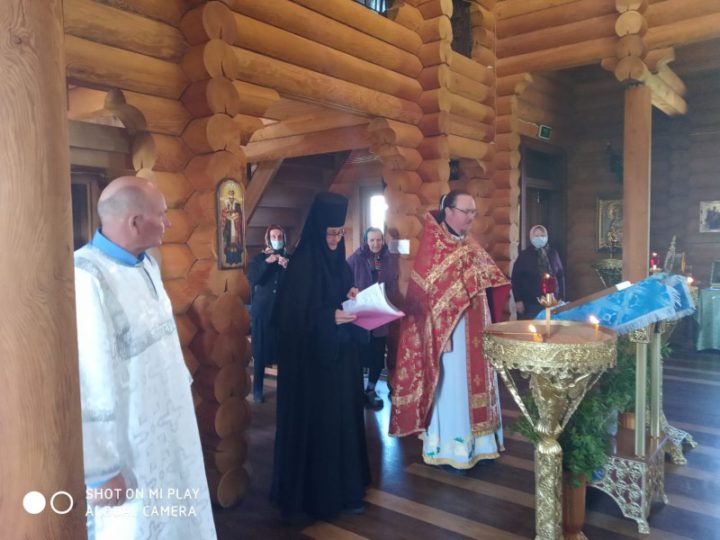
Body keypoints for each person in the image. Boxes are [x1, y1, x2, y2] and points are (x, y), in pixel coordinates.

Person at [74, 176, 216, 539]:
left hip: (169, 430)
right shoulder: (86, 277)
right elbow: (87, 378)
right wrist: (102, 471)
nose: (168, 223)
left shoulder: (146, 264)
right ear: (135, 222)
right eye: (162, 214)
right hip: (130, 446)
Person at [389, 190, 511, 473]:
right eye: (466, 211)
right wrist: (436, 333)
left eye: (474, 212)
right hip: (449, 335)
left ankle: (483, 446)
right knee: (453, 390)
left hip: (478, 330)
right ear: (449, 211)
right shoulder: (433, 248)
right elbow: (424, 299)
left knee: (480, 387)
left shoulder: (469, 244)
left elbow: (489, 282)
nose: (471, 218)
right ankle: (452, 450)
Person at [271, 192, 370, 519]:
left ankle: (347, 490)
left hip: (341, 361)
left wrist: (350, 296)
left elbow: (337, 295)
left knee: (344, 424)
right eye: (330, 233)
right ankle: (318, 497)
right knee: (322, 428)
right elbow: (291, 319)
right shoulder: (301, 266)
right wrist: (329, 317)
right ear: (317, 231)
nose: (335, 239)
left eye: (340, 233)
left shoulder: (340, 264)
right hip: (313, 369)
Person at [347, 226, 399, 410]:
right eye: (372, 240)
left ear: (383, 241)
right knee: (358, 356)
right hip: (361, 314)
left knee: (377, 355)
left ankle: (371, 390)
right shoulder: (355, 258)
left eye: (379, 240)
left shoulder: (389, 259)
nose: (376, 243)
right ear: (366, 241)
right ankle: (356, 391)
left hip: (381, 313)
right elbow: (345, 281)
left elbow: (394, 282)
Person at [248, 224, 289, 403]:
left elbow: (297, 284)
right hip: (262, 312)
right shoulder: (259, 259)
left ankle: (285, 390)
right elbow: (253, 279)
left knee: (283, 352)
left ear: (284, 239)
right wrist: (267, 263)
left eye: (280, 236)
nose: (277, 240)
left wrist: (288, 267)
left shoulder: (290, 259)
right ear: (268, 239)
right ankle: (257, 389)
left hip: (282, 313)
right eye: (274, 236)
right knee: (260, 352)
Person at [511, 224, 565, 320]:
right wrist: (518, 300)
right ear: (531, 237)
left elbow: (560, 276)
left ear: (546, 237)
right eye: (536, 236)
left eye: (542, 235)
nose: (539, 238)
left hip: (553, 302)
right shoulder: (524, 255)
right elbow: (516, 279)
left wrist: (561, 298)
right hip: (531, 304)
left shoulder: (553, 254)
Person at [220, 189, 243, 265]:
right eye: (230, 193)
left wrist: (236, 216)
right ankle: (229, 260)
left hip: (236, 225)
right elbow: (223, 213)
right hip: (228, 226)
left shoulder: (237, 203)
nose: (231, 195)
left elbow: (240, 213)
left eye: (232, 193)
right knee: (228, 242)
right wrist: (227, 216)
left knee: (236, 242)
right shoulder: (226, 202)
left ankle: (237, 259)